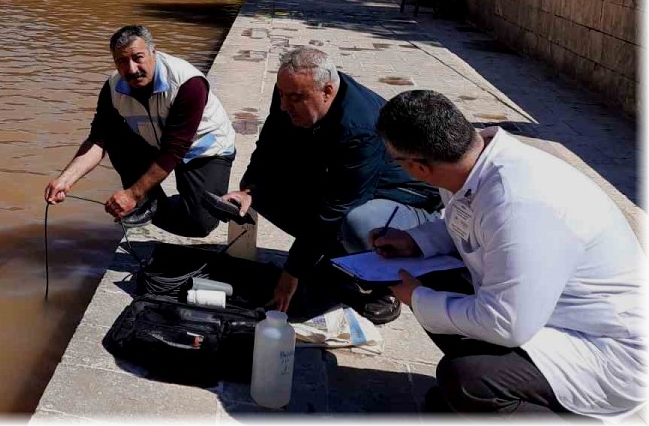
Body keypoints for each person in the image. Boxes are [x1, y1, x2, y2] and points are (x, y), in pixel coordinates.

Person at [372, 90, 647, 418]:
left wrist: (419, 300)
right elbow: (466, 221)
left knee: (467, 379)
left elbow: (506, 325)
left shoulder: (519, 202)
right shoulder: (472, 162)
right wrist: (415, 241)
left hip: (606, 349)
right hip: (545, 314)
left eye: (396, 160)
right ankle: (497, 396)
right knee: (430, 279)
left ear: (419, 167)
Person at [221, 47, 442, 323]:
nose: (284, 105)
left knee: (358, 223)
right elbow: (269, 145)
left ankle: (383, 285)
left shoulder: (361, 126)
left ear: (327, 91)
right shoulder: (292, 90)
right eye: (281, 95)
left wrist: (291, 272)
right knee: (262, 191)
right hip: (346, 183)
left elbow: (337, 207)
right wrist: (248, 190)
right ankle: (336, 261)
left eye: (294, 98)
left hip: (405, 200)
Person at [45, 25, 236, 238]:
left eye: (138, 58)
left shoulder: (188, 83)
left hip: (204, 149)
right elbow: (98, 139)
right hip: (157, 142)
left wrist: (132, 194)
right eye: (122, 61)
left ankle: (155, 201)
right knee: (114, 135)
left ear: (154, 52)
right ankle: (148, 203)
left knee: (199, 224)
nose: (132, 69)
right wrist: (65, 180)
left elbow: (173, 151)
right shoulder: (113, 87)